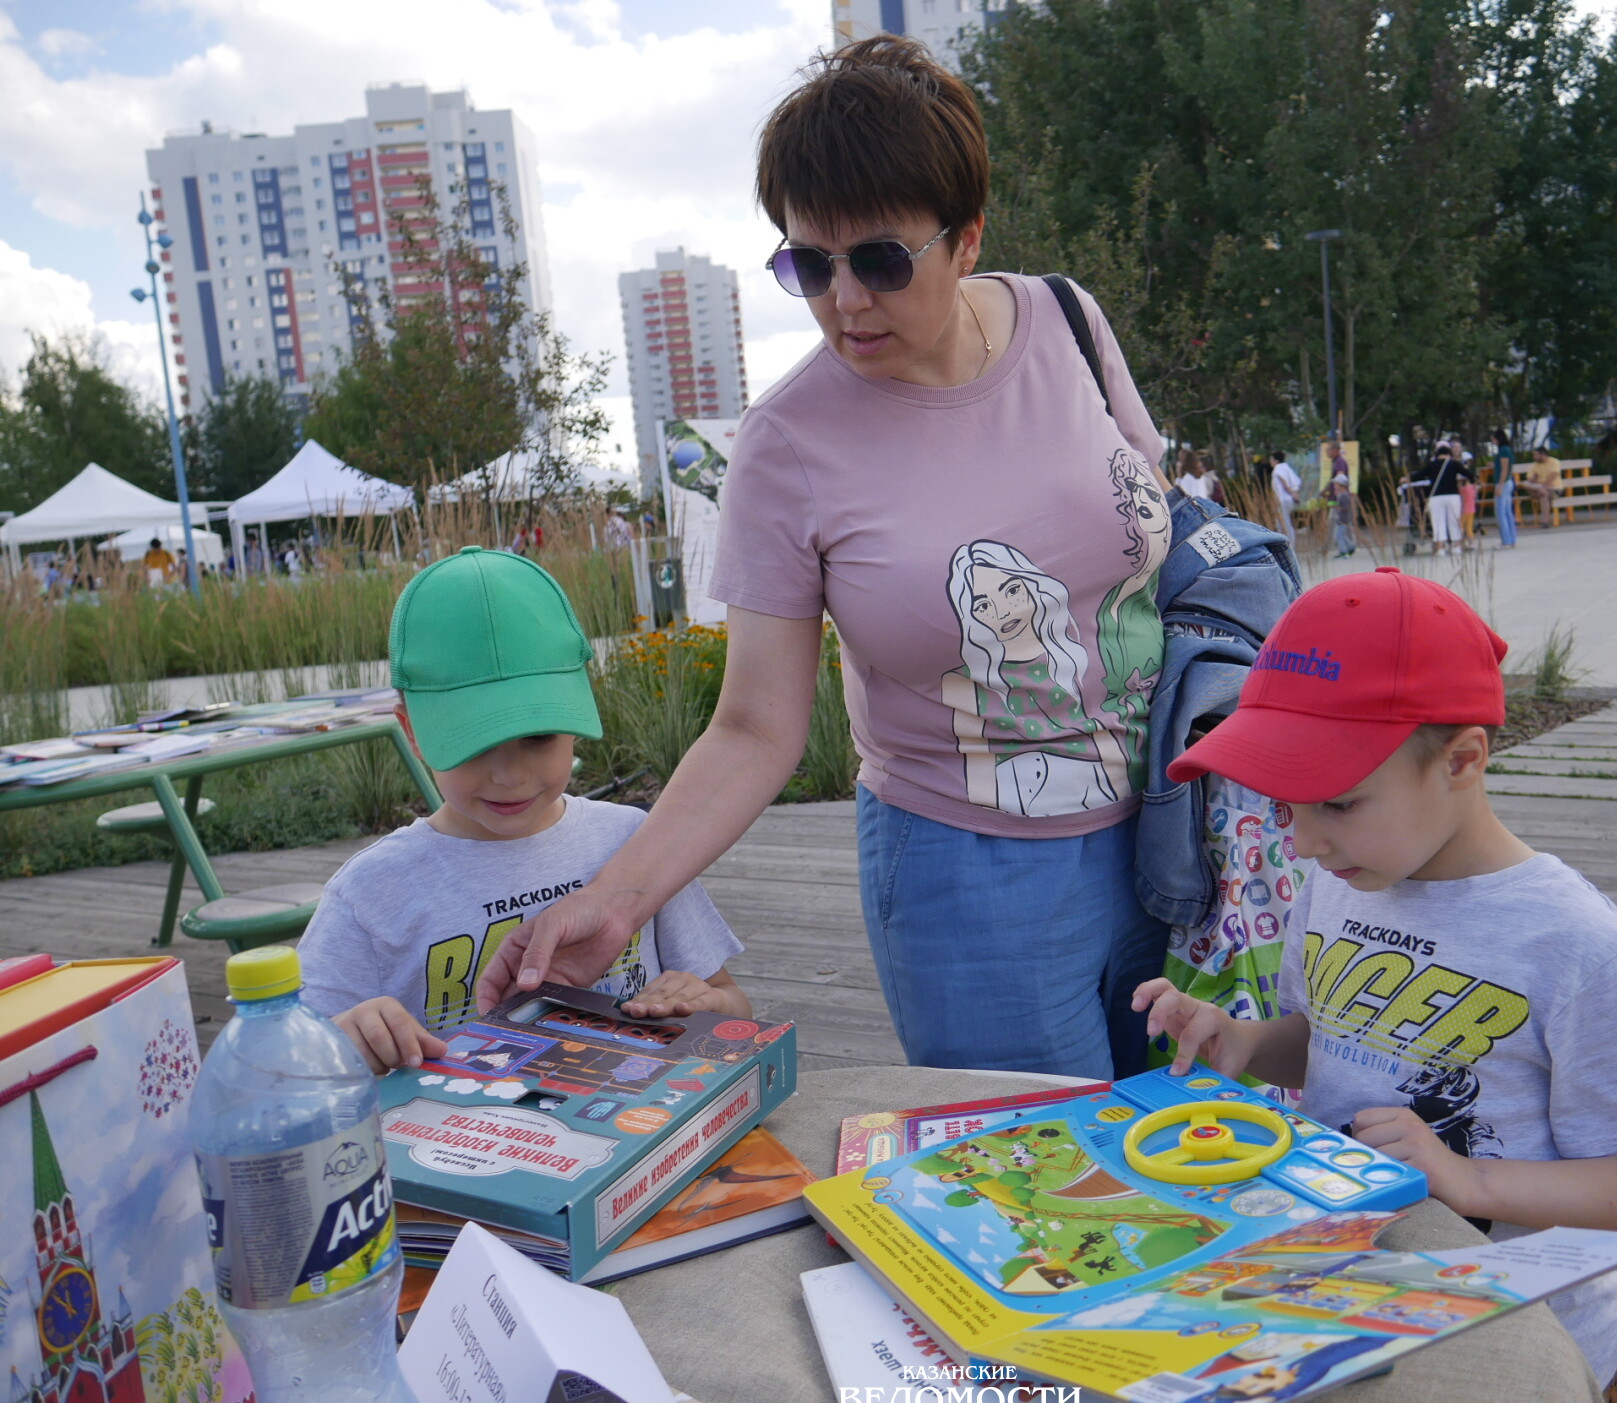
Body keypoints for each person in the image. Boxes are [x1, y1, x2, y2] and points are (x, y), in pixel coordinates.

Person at [470, 37, 1173, 1081]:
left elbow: (1158, 539)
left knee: (1193, 1157)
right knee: (1049, 1185)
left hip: (1170, 830)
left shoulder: (1068, 321)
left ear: (966, 238)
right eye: (809, 263)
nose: (845, 301)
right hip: (969, 873)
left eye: (882, 260)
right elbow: (756, 725)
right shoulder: (788, 444)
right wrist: (620, 899)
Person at [1132, 567, 1617, 1400]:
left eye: (1336, 803)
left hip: (1533, 1340)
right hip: (1360, 1299)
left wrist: (1467, 1177)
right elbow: (1334, 1041)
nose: (1298, 843)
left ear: (1463, 760)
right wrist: (1243, 1043)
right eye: (1285, 806)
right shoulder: (1340, 879)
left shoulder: (1580, 947)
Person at [300, 546, 750, 1074]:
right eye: (473, 743)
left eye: (538, 736)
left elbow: (733, 1005)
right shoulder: (370, 895)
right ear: (412, 733)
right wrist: (345, 1044)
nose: (509, 774)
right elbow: (284, 1071)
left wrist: (705, 1005)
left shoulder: (637, 845)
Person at [1413, 443, 1467, 556]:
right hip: (1453, 496)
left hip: (1436, 497)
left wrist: (1406, 478)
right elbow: (1467, 474)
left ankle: (1440, 548)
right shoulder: (1454, 464)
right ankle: (1456, 546)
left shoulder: (1432, 465)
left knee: (1438, 522)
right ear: (1449, 454)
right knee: (1454, 521)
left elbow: (1419, 475)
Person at [1491, 429, 1518, 547]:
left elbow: (1505, 469)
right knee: (1507, 512)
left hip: (1503, 483)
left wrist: (1500, 486)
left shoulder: (1503, 450)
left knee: (1501, 512)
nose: (1492, 441)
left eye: (1493, 438)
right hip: (1507, 482)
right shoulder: (1506, 449)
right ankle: (1511, 539)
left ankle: (1506, 540)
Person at [1270, 450, 1303, 542]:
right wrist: (1294, 495)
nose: (1270, 462)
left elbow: (1284, 483)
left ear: (1276, 461)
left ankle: (1288, 543)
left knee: (1283, 523)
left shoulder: (1277, 469)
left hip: (1282, 499)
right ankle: (1289, 542)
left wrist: (1292, 494)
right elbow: (1296, 482)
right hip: (1289, 500)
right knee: (1285, 522)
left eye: (1271, 460)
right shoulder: (1287, 468)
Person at [1523, 447, 1561, 522]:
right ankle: (1545, 521)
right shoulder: (1534, 465)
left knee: (1543, 494)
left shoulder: (1554, 462)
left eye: (1536, 455)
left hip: (1554, 489)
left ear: (1542, 455)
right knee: (1525, 484)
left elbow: (1553, 476)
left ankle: (1545, 521)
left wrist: (1544, 487)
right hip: (1538, 489)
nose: (1534, 457)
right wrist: (1534, 479)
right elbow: (1529, 480)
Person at [1329, 474, 1357, 558]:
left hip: (1342, 520)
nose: (1334, 486)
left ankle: (1343, 551)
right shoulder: (1343, 494)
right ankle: (1351, 547)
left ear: (1341, 485)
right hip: (1342, 520)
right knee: (1342, 535)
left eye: (1336, 484)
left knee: (1339, 536)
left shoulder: (1344, 495)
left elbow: (1345, 508)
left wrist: (1335, 507)